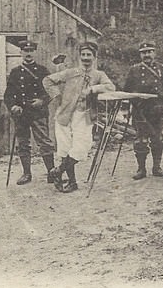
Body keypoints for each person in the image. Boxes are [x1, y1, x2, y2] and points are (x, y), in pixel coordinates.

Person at [43, 41, 115, 193]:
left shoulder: (99, 75)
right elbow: (47, 81)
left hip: (84, 115)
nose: (86, 58)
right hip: (64, 114)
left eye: (89, 55)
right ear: (79, 56)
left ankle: (58, 171)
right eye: (83, 55)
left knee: (82, 147)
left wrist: (92, 89)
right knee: (65, 148)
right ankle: (72, 182)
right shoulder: (71, 72)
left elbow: (110, 87)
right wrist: (57, 96)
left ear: (94, 57)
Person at [3, 39, 56, 185]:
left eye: (31, 50)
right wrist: (13, 106)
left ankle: (52, 173)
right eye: (25, 50)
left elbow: (52, 91)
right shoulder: (15, 72)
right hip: (21, 114)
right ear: (21, 52)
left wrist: (42, 101)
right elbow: (8, 95)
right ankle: (26, 174)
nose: (28, 53)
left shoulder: (43, 71)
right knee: (23, 143)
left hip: (38, 112)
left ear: (35, 52)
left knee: (44, 142)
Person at [123, 41, 163, 180]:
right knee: (140, 140)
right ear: (140, 54)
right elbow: (127, 91)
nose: (147, 55)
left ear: (154, 53)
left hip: (158, 110)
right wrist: (126, 109)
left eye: (149, 52)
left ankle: (157, 167)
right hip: (140, 111)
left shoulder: (162, 69)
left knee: (157, 139)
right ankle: (141, 169)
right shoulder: (134, 70)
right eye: (144, 52)